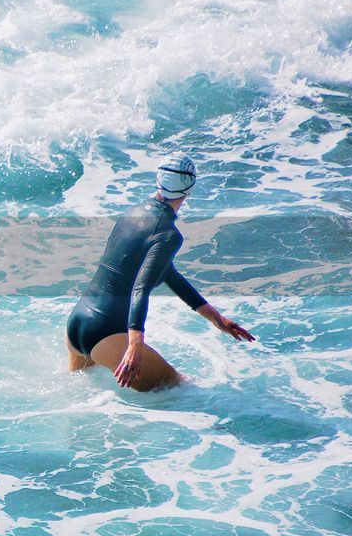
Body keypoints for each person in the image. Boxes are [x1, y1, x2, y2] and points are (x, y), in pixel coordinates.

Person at [65, 154, 254, 391]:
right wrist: (135, 346)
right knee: (181, 392)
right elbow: (140, 288)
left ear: (158, 180)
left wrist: (217, 319)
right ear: (189, 189)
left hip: (78, 322)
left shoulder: (132, 213)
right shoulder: (167, 234)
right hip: (107, 332)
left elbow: (167, 274)